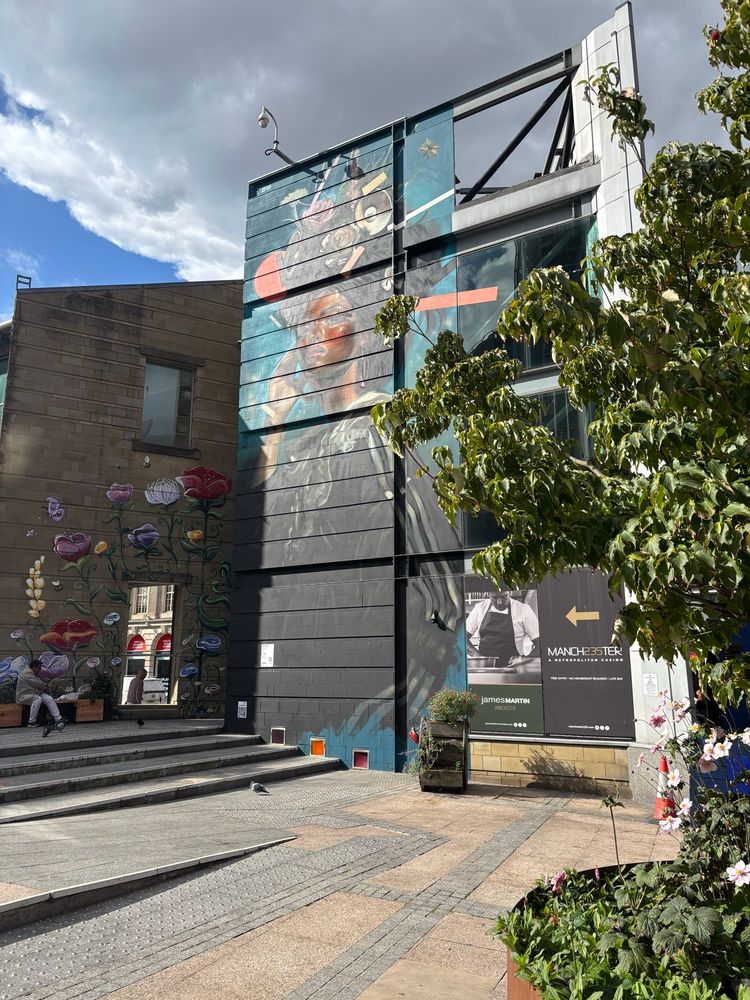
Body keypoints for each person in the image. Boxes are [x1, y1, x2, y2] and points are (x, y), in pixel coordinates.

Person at [466, 589, 540, 664]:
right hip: (486, 667)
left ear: (510, 592)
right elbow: (461, 638)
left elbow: (541, 643)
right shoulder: (479, 608)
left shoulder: (523, 610)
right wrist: (477, 655)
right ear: (488, 594)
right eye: (494, 598)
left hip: (513, 669)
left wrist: (524, 660)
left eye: (504, 597)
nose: (499, 602)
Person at [15, 659, 65, 730]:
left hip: (34, 693)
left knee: (49, 699)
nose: (40, 669)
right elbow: (37, 683)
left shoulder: (32, 673)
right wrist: (46, 686)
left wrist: (45, 687)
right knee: (38, 699)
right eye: (39, 668)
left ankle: (58, 719)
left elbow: (38, 683)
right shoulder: (27, 673)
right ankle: (31, 722)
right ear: (34, 667)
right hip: (23, 696)